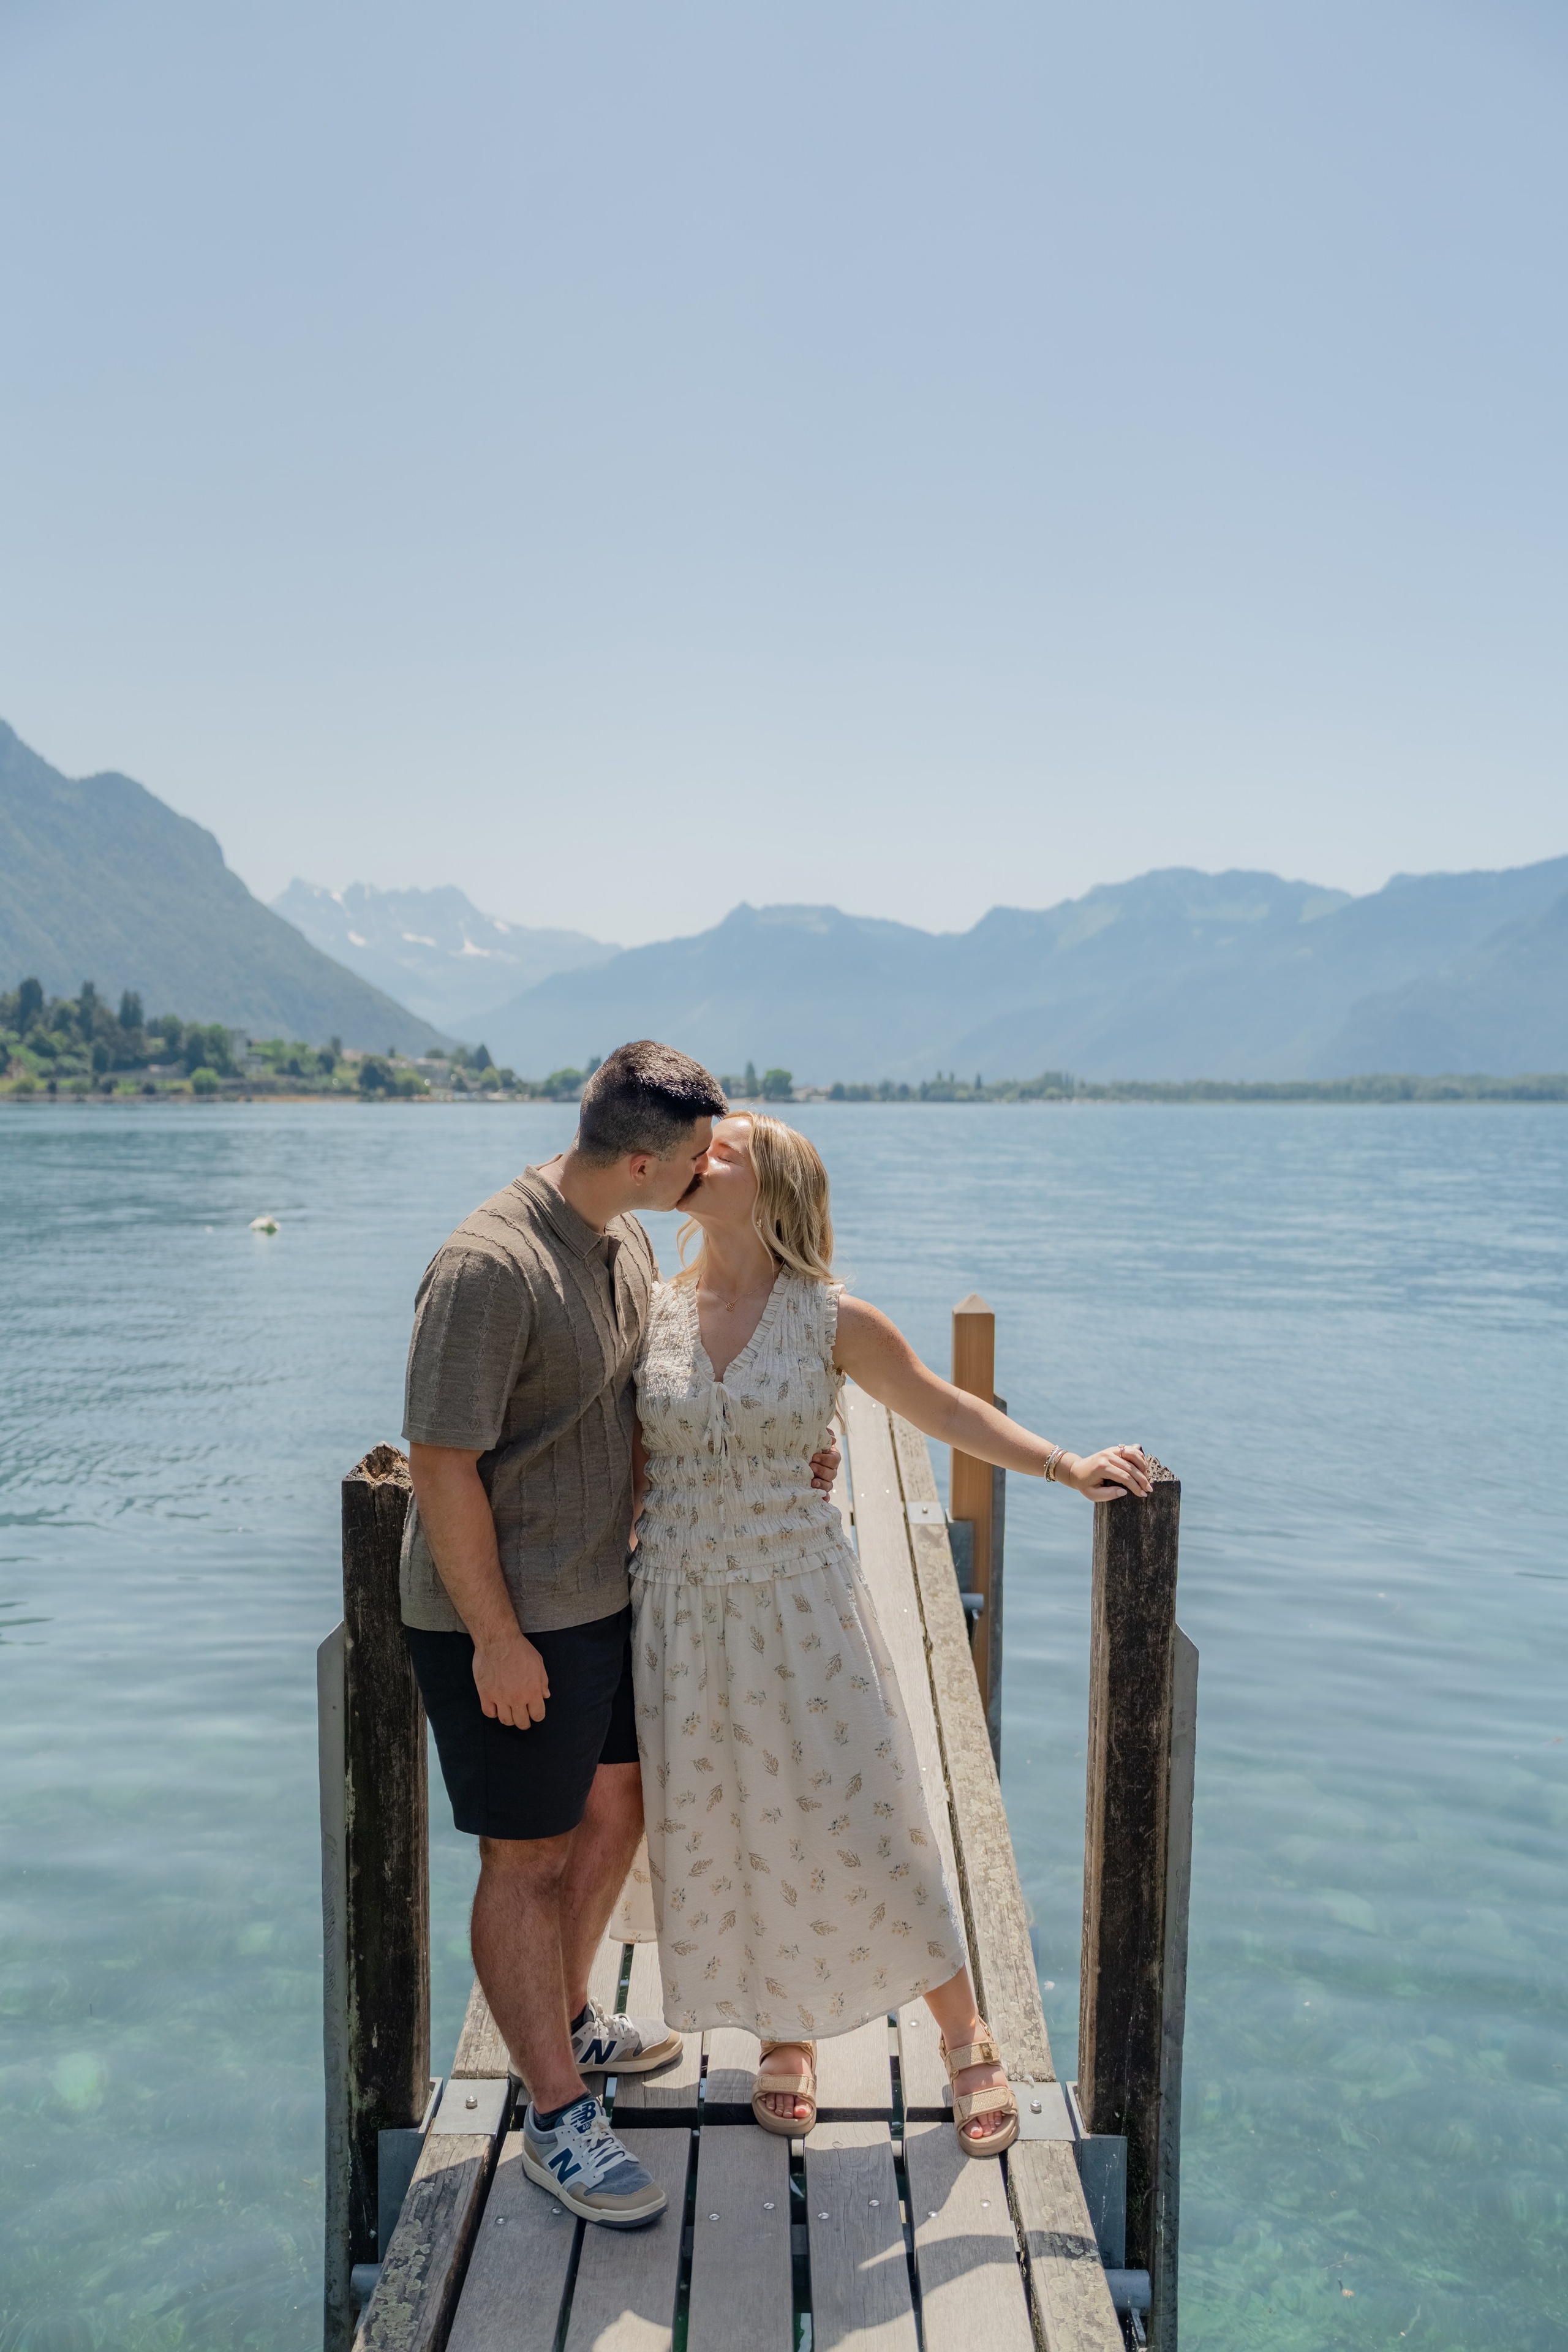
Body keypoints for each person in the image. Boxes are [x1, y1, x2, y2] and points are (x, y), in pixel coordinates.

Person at [630, 1110, 1152, 2155]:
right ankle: (788, 2035)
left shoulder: (832, 1319)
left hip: (802, 1599)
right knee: (728, 1811)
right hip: (679, 1607)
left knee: (862, 1806)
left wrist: (1064, 1463)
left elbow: (942, 1410)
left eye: (723, 1148)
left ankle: (966, 2034)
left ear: (773, 1186)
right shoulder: (653, 1310)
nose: (699, 1156)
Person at [399, 1042, 844, 2230]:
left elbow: (646, 1392)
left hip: (604, 1594)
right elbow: (439, 1467)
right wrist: (495, 1637)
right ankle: (553, 2114)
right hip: (507, 1622)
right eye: (700, 1157)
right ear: (643, 1158)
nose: (715, 1173)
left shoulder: (628, 1236)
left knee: (617, 1805)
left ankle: (571, 2011)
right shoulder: (485, 1268)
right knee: (522, 1857)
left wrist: (783, 1442)